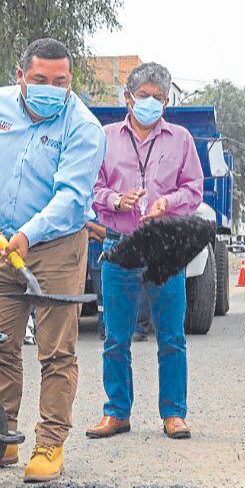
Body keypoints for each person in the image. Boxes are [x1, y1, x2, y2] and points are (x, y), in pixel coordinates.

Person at [0, 38, 105, 482]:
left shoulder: (83, 127)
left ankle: (49, 444)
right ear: (20, 76)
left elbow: (71, 198)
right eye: (40, 80)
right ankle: (4, 437)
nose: (51, 89)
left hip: (55, 247)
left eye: (60, 82)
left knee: (56, 351)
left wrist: (27, 235)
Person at [86, 62, 203, 440]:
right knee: (115, 337)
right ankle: (117, 412)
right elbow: (92, 189)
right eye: (144, 96)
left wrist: (167, 204)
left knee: (171, 337)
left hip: (163, 249)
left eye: (159, 97)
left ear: (167, 101)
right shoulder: (104, 137)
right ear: (128, 98)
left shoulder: (182, 139)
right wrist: (117, 200)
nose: (151, 102)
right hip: (119, 247)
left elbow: (194, 190)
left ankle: (174, 413)